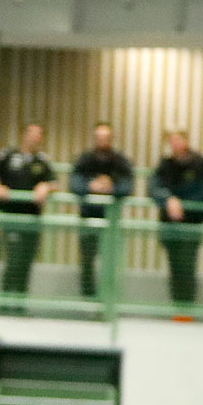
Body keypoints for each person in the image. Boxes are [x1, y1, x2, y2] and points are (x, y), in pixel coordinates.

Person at [0, 122, 55, 304]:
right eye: (33, 133)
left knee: (26, 261)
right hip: (11, 216)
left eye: (39, 134)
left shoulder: (43, 161)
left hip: (32, 219)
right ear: (25, 135)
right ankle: (6, 300)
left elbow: (54, 182)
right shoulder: (8, 155)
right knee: (13, 259)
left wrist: (46, 186)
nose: (36, 138)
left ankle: (20, 303)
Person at [149, 129, 203, 306]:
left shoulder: (202, 164)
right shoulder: (165, 165)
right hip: (169, 223)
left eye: (178, 140)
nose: (175, 144)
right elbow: (154, 187)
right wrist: (168, 200)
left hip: (192, 223)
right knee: (175, 266)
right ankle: (177, 307)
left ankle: (186, 308)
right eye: (172, 141)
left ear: (186, 141)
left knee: (188, 265)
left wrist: (181, 204)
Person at [67, 121, 133, 299]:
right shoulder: (85, 160)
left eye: (106, 137)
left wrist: (111, 187)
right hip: (88, 219)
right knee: (87, 262)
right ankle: (88, 300)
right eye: (99, 137)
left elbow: (127, 186)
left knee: (110, 263)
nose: (102, 140)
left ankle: (108, 300)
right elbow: (74, 183)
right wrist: (92, 186)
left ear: (111, 139)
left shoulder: (120, 161)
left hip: (111, 222)